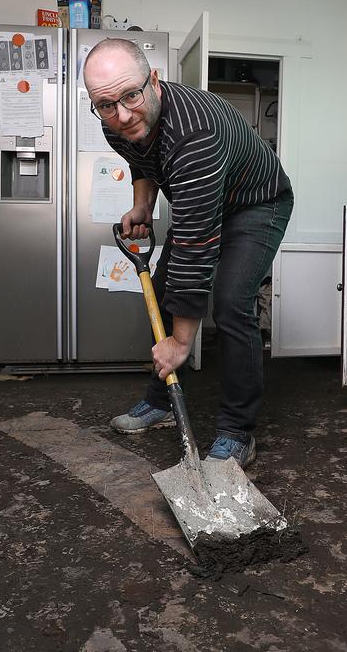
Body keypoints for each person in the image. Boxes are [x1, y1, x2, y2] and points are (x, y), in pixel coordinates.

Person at [82, 38, 293, 469]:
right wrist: (142, 205)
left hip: (257, 203)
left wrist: (182, 341)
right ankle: (160, 401)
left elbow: (196, 249)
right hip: (205, 198)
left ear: (154, 81)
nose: (121, 114)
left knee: (233, 303)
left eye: (130, 96)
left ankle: (237, 431)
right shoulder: (114, 118)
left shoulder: (194, 134)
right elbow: (142, 158)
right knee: (162, 290)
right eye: (105, 104)